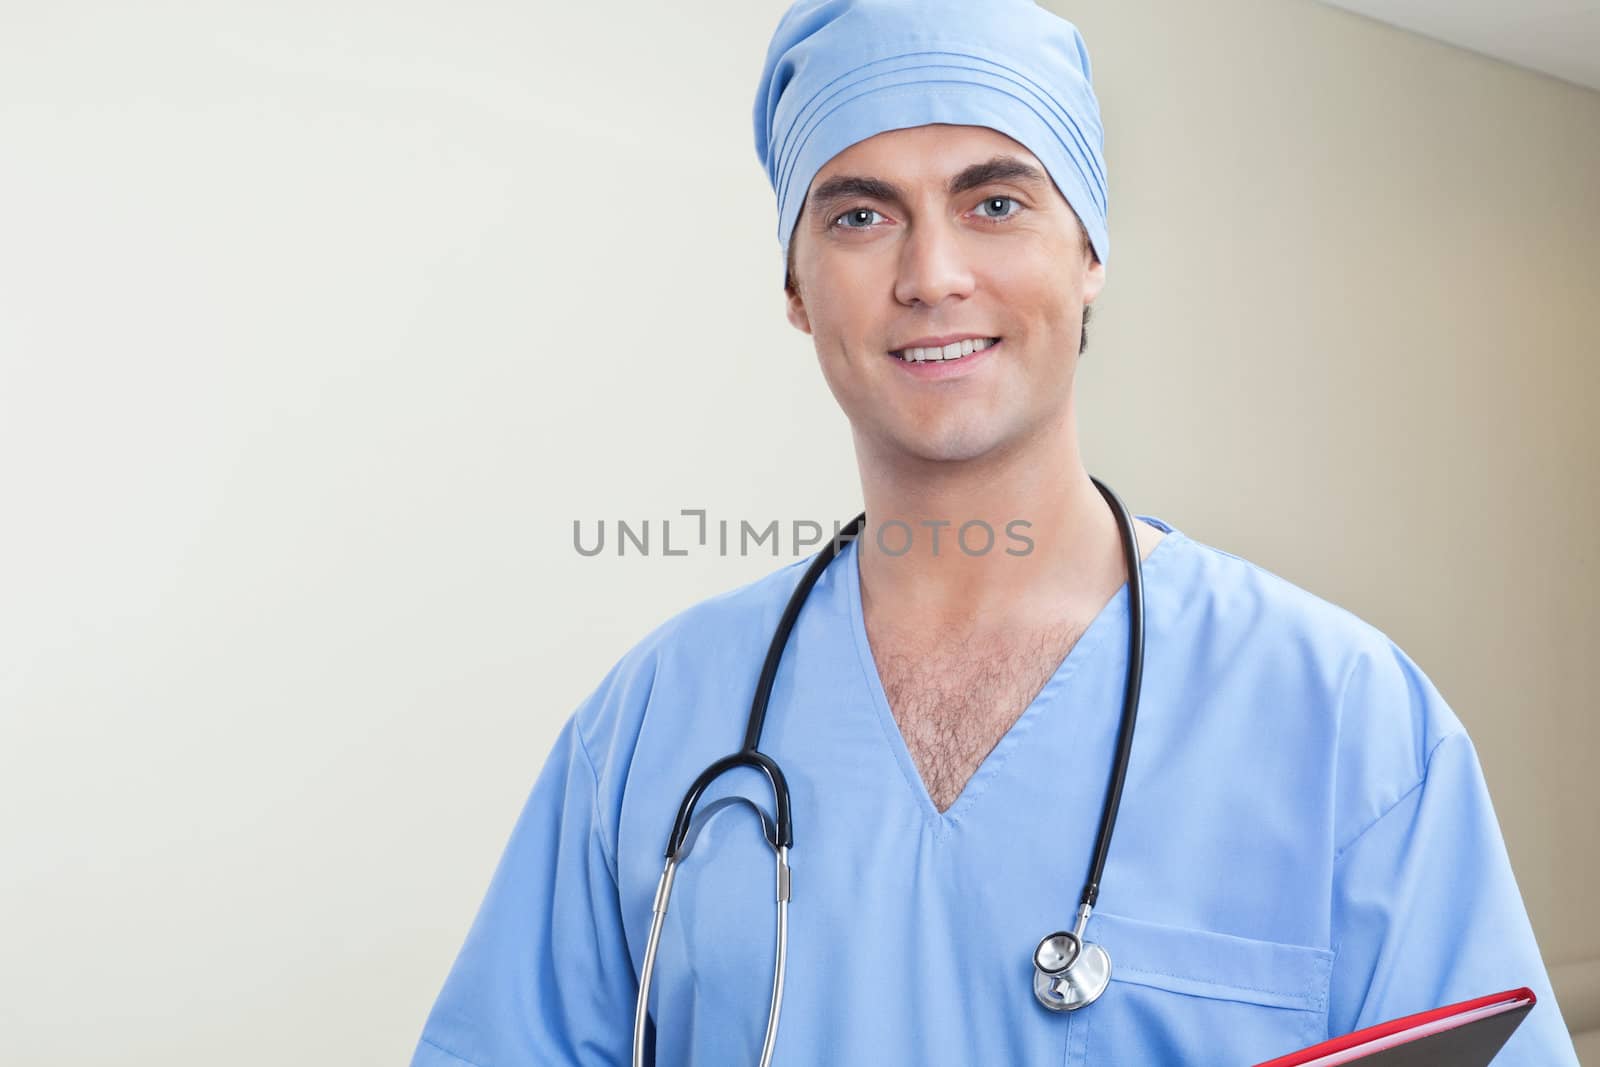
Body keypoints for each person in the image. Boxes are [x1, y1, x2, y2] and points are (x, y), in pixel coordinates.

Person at [408, 1, 1580, 1063]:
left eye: (996, 201)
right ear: (796, 287)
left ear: (1089, 255)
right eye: (860, 214)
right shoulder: (654, 723)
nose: (933, 272)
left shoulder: (1349, 723)